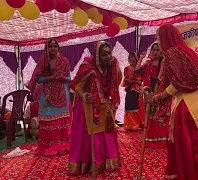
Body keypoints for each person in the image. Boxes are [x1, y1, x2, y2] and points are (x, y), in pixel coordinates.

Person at [146, 23, 198, 180]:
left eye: (159, 37)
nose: (158, 41)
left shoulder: (173, 53)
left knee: (190, 145)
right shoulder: (189, 52)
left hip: (187, 106)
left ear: (166, 37)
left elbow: (178, 83)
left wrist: (156, 98)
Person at [68, 41, 121, 175]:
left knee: (107, 131)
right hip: (87, 104)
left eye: (109, 53)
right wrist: (84, 95)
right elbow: (77, 86)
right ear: (97, 56)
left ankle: (106, 162)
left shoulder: (112, 65)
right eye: (104, 55)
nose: (108, 57)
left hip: (103, 104)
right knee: (92, 134)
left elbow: (116, 82)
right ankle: (91, 164)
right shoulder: (87, 67)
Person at [27, 38, 71, 156]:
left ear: (58, 48)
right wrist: (50, 78)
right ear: (47, 48)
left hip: (62, 93)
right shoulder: (43, 62)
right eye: (50, 46)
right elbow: (38, 78)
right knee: (48, 119)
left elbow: (69, 78)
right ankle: (48, 145)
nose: (52, 48)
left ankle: (62, 144)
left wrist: (62, 78)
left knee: (61, 118)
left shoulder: (64, 61)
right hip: (47, 95)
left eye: (54, 46)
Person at [135, 43, 170, 149]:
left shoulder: (164, 63)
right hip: (149, 92)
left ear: (161, 52)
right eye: (153, 50)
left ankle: (161, 141)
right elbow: (137, 70)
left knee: (159, 116)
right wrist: (141, 57)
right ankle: (150, 140)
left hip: (159, 93)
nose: (155, 52)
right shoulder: (148, 64)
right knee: (149, 116)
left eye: (157, 50)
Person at [122, 53, 145, 131]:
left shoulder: (140, 68)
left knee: (139, 106)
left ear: (136, 58)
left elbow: (142, 79)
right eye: (129, 57)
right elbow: (126, 80)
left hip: (138, 90)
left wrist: (140, 83)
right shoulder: (127, 68)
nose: (131, 59)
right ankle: (131, 125)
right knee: (130, 106)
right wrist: (135, 81)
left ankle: (139, 124)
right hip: (130, 89)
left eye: (132, 57)